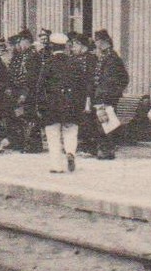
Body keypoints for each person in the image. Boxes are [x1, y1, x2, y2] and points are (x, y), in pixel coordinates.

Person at [35, 32, 92, 174]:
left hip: (52, 106)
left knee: (53, 135)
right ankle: (71, 152)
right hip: (71, 105)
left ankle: (56, 166)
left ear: (52, 47)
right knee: (71, 130)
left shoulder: (48, 64)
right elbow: (82, 86)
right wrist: (80, 105)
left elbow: (40, 87)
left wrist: (41, 107)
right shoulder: (75, 63)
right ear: (65, 46)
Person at [88, 29, 130, 160]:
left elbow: (121, 78)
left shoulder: (112, 57)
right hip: (101, 95)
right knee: (102, 123)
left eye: (97, 41)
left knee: (106, 123)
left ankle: (107, 150)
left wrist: (114, 93)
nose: (96, 44)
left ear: (103, 41)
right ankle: (104, 149)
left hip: (106, 96)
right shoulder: (105, 56)